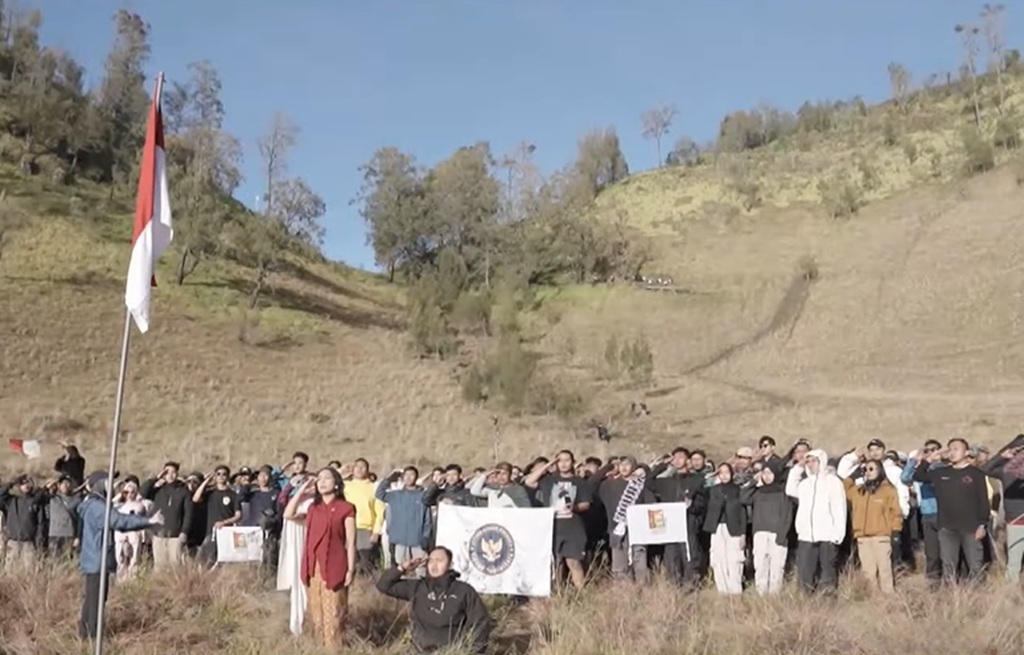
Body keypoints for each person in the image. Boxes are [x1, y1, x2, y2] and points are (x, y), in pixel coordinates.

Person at [77, 471, 163, 640]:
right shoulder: (97, 507)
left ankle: (85, 634)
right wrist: (149, 521)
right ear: (100, 484)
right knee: (97, 601)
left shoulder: (96, 505)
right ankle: (94, 638)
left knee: (92, 599)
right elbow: (118, 521)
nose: (116, 486)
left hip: (94, 559)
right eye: (110, 482)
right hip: (98, 560)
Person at [285, 468, 356, 648]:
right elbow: (288, 514)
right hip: (313, 567)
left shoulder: (346, 508)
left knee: (334, 616)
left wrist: (350, 569)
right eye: (319, 479)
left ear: (337, 483)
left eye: (327, 478)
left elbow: (351, 542)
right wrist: (303, 490)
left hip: (335, 566)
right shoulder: (313, 508)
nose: (322, 482)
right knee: (316, 615)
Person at [376, 547, 492, 654]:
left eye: (439, 560)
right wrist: (402, 568)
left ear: (450, 565)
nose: (434, 565)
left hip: (452, 650)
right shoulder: (418, 587)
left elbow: (480, 623)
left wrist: (471, 650)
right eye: (431, 561)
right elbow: (383, 585)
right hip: (420, 650)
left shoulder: (463, 591)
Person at [913, 438, 990, 584]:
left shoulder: (976, 474)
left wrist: (982, 525)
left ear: (966, 452)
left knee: (975, 565)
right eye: (950, 449)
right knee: (949, 566)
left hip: (971, 528)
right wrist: (929, 459)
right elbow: (918, 476)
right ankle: (951, 598)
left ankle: (978, 598)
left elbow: (983, 501)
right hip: (947, 528)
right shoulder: (941, 473)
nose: (952, 452)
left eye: (956, 449)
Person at [785, 449, 847, 594]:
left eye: (814, 461)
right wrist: (798, 468)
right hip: (806, 537)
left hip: (827, 536)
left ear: (822, 462)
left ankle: (827, 603)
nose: (810, 464)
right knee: (805, 574)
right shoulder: (804, 484)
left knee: (827, 574)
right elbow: (789, 489)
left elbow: (839, 509)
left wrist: (838, 535)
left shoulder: (833, 482)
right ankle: (806, 603)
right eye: (808, 461)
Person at [842, 458, 903, 593]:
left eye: (871, 469)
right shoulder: (859, 491)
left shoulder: (888, 490)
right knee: (868, 571)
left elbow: (896, 512)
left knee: (884, 570)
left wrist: (896, 531)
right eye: (865, 470)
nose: (868, 472)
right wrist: (854, 475)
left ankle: (888, 597)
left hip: (881, 536)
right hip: (863, 537)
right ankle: (873, 598)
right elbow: (843, 488)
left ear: (879, 471)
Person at [703, 462, 747, 595]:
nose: (724, 475)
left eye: (727, 472)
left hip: (734, 528)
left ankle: (735, 589)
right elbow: (701, 486)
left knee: (734, 559)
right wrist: (710, 477)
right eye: (721, 472)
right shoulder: (713, 490)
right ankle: (722, 589)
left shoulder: (738, 490)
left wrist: (743, 533)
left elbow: (742, 512)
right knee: (719, 559)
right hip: (717, 528)